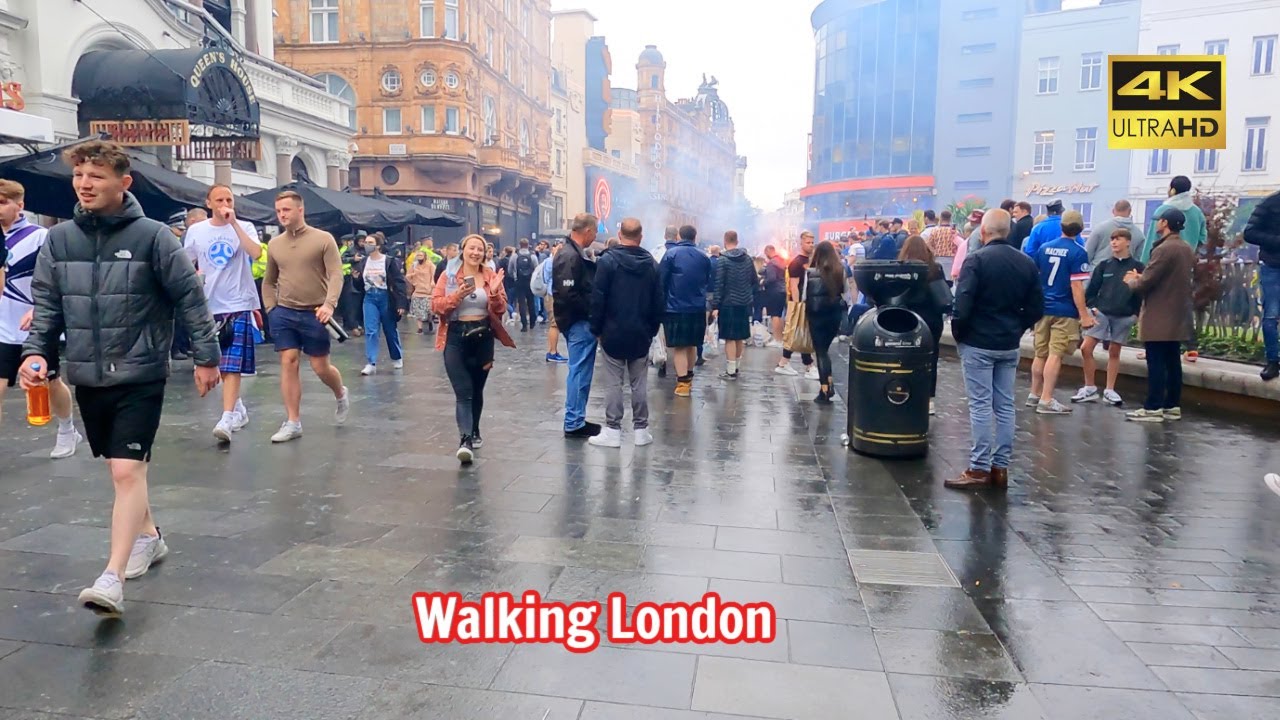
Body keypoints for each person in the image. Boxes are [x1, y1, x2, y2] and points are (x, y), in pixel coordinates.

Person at [19, 141, 222, 615]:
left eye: (96, 177)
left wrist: (206, 358)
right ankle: (149, 536)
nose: (85, 185)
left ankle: (110, 578)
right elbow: (47, 308)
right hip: (87, 372)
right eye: (79, 177)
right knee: (117, 468)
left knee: (128, 469)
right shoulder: (60, 240)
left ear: (123, 183)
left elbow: (190, 300)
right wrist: (36, 356)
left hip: (141, 370)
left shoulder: (154, 236)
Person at [946, 209, 1044, 491]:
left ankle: (978, 468)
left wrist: (960, 333)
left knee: (979, 405)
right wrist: (1017, 327)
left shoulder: (976, 260)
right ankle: (1000, 467)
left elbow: (962, 303)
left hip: (978, 341)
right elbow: (1037, 306)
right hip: (1008, 342)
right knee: (1004, 406)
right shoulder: (1026, 263)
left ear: (984, 232)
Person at [0, 179, 82, 457]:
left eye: (3, 203)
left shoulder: (39, 237)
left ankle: (67, 429)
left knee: (48, 383)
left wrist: (38, 308)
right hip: (2, 328)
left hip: (34, 328)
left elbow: (60, 277)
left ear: (19, 205)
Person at [262, 190, 350, 443]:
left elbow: (336, 274)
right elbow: (269, 281)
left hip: (316, 312)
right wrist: (271, 308)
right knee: (288, 360)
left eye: (286, 210)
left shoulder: (323, 239)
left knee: (320, 367)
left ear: (301, 210)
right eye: (278, 211)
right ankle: (292, 421)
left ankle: (340, 392)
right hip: (285, 312)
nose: (282, 215)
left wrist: (329, 305)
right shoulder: (276, 244)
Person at [183, 184, 264, 443]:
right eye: (220, 199)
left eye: (229, 199)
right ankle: (237, 408)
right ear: (209, 203)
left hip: (238, 302)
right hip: (209, 303)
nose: (225, 204)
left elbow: (256, 252)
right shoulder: (197, 231)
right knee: (217, 364)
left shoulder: (245, 227)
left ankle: (227, 416)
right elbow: (186, 262)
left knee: (232, 364)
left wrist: (235, 225)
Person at [432, 234, 514, 462]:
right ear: (463, 250)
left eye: (480, 249)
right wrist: (457, 295)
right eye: (472, 248)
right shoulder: (449, 277)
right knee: (464, 392)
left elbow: (500, 309)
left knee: (477, 390)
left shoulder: (490, 275)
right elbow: (436, 305)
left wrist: (496, 292)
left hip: (483, 337)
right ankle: (465, 439)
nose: (476, 252)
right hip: (456, 337)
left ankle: (475, 429)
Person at [588, 218, 663, 448]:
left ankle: (612, 430)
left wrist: (596, 328)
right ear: (641, 237)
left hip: (612, 330)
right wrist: (652, 329)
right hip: (640, 331)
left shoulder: (608, 261)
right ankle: (641, 430)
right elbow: (658, 301)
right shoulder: (651, 264)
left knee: (613, 383)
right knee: (639, 382)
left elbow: (598, 297)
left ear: (620, 235)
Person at [1125, 209, 1195, 422]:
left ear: (1165, 223)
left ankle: (1153, 407)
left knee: (1155, 362)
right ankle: (1172, 405)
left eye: (1159, 221)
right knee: (1173, 361)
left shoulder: (1164, 248)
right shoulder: (1185, 247)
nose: (1156, 224)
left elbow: (1147, 282)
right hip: (1177, 313)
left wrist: (1132, 281)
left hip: (1159, 314)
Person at [1028, 210, 1094, 415]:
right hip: (1064, 310)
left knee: (1040, 353)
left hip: (1043, 308)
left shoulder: (1045, 248)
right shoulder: (1078, 251)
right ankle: (1047, 399)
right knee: (1055, 355)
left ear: (1061, 226)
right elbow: (1076, 287)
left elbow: (1037, 276)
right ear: (1080, 229)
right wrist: (1084, 315)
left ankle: (1034, 394)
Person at [1073, 228, 1143, 407]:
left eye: (1118, 239)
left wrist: (1135, 313)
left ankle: (1110, 390)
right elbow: (1091, 291)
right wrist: (1093, 308)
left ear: (1128, 242)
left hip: (1124, 314)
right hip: (1102, 313)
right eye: (1112, 239)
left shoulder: (1138, 267)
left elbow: (1140, 293)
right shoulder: (1104, 266)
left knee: (1114, 350)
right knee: (1086, 348)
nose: (1113, 242)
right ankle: (1089, 387)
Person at [554, 213, 601, 437]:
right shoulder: (570, 255)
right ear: (588, 231)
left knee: (581, 370)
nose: (595, 236)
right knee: (580, 371)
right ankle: (573, 421)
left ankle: (576, 418)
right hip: (578, 321)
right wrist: (590, 312)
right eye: (595, 231)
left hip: (576, 320)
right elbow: (567, 293)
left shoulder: (571, 252)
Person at [659, 224, 712, 397]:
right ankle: (689, 376)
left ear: (679, 237)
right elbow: (707, 281)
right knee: (692, 344)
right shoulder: (704, 257)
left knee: (680, 346)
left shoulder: (671, 254)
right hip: (697, 307)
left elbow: (661, 281)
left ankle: (682, 384)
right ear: (695, 237)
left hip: (675, 307)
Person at [897, 235, 947, 414]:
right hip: (932, 319)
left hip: (909, 318)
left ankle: (905, 392)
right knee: (931, 360)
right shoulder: (935, 268)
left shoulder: (902, 268)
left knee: (906, 357)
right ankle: (929, 399)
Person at [353, 231, 409, 375]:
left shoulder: (388, 261)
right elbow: (360, 285)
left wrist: (401, 303)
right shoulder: (364, 262)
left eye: (370, 243)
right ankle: (371, 362)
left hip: (385, 297)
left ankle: (396, 356)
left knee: (390, 329)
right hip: (369, 298)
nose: (367, 245)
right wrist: (356, 278)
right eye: (366, 243)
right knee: (371, 330)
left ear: (378, 246)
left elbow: (399, 282)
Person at [1243, 190, 1280, 381]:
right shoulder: (1270, 203)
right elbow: (1249, 232)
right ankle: (1273, 361)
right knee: (1271, 315)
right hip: (1273, 265)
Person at [713, 230, 759, 380]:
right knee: (739, 337)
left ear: (725, 241)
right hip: (744, 303)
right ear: (737, 241)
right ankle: (737, 366)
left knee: (729, 338)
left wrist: (715, 305)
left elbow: (719, 284)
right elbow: (754, 281)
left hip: (728, 303)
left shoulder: (723, 260)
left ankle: (731, 370)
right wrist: (747, 294)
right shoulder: (747, 259)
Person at [805, 241, 847, 405]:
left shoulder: (810, 272)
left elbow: (803, 296)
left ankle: (825, 389)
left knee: (820, 351)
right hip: (834, 313)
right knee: (825, 350)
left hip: (816, 314)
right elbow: (845, 292)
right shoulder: (840, 270)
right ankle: (828, 383)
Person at [777, 231, 817, 379]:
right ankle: (808, 365)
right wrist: (797, 304)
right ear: (801, 243)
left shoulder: (811, 261)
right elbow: (794, 285)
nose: (811, 245)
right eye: (808, 242)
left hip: (807, 301)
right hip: (800, 302)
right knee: (797, 331)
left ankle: (786, 362)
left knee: (802, 332)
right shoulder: (797, 263)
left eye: (812, 242)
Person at [1142, 175, 1207, 262]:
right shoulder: (1197, 212)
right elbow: (1202, 238)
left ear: (1172, 190)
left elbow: (1151, 240)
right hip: (1187, 263)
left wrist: (1144, 265)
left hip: (1163, 263)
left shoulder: (1162, 211)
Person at [1086, 199, 1146, 266]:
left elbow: (1088, 253)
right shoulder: (1139, 234)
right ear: (1130, 211)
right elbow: (1138, 258)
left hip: (1098, 270)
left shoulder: (1100, 228)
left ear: (1113, 211)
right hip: (1125, 273)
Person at [761, 244, 787, 348]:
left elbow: (771, 278)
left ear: (768, 251)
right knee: (780, 315)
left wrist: (763, 281)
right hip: (782, 290)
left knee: (774, 315)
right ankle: (780, 338)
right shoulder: (782, 261)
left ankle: (777, 339)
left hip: (774, 291)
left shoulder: (771, 263)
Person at [511, 238, 539, 331]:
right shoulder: (533, 256)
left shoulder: (515, 256)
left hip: (519, 281)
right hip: (530, 282)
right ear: (528, 245)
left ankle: (524, 325)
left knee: (522, 303)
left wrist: (514, 277)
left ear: (519, 245)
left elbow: (510, 269)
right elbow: (537, 269)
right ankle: (532, 322)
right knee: (531, 302)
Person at [406, 249, 437, 334]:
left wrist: (432, 282)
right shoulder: (414, 265)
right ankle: (420, 328)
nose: (419, 257)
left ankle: (430, 320)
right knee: (418, 311)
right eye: (418, 256)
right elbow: (408, 276)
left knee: (429, 310)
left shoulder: (430, 265)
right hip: (417, 291)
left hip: (428, 291)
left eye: (421, 256)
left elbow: (434, 275)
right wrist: (413, 278)